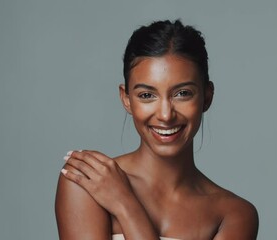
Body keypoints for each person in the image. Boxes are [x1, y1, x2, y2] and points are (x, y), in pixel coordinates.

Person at [55, 19, 258, 240]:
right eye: (146, 95)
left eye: (182, 93)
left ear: (207, 97)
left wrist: (126, 206)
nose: (165, 114)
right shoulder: (89, 182)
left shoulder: (233, 214)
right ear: (126, 99)